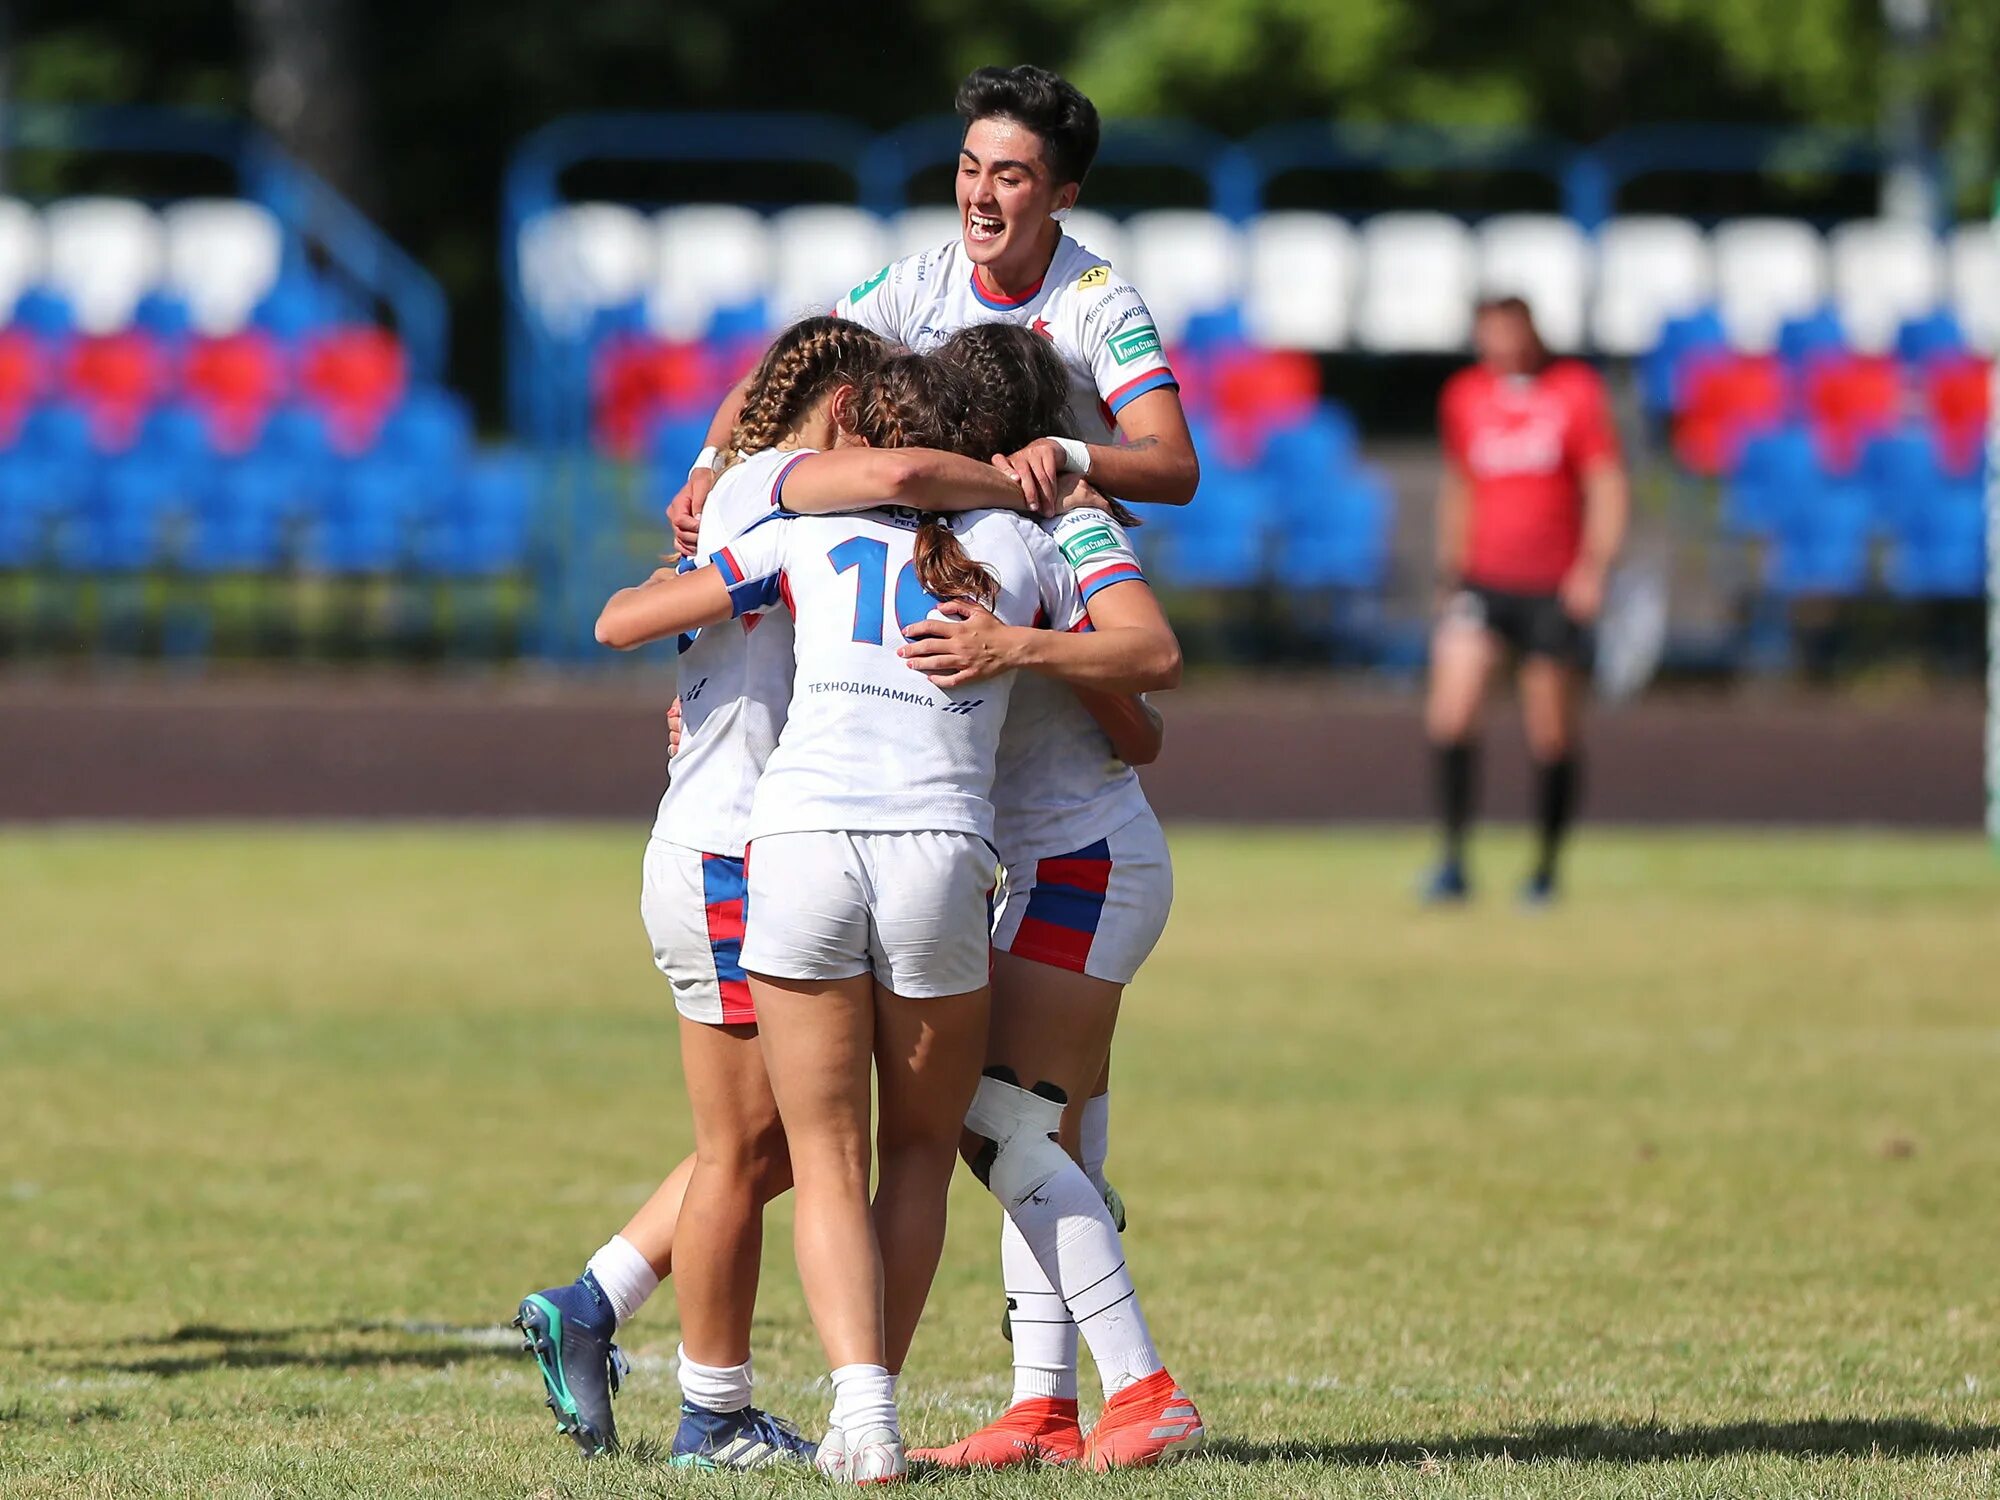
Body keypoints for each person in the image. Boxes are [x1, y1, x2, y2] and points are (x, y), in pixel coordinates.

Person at [592, 352, 1176, 1485]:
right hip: (942, 855)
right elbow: (1146, 699)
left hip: (799, 845)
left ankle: (861, 1421)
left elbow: (629, 619)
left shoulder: (797, 524)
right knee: (928, 1150)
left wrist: (706, 677)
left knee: (822, 1155)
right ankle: (929, 1414)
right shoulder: (1037, 538)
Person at [513, 317, 1040, 1467]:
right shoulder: (782, 488)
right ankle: (702, 1405)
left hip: (763, 840)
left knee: (774, 1145)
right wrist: (1014, 478)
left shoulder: (762, 500)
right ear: (844, 412)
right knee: (752, 1149)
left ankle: (606, 1311)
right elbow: (892, 477)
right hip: (734, 842)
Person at [894, 322, 1203, 1470]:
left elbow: (1153, 659)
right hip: (1054, 863)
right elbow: (1137, 729)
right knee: (1050, 1139)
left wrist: (1015, 648)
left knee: (996, 1124)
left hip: (1085, 865)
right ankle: (1041, 1410)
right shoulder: (982, 531)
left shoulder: (1067, 520)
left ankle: (1145, 1388)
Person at [666, 61, 1200, 557]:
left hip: (1047, 563)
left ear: (1063, 197)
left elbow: (1175, 466)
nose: (980, 196)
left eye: (1009, 179)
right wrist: (710, 464)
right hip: (927, 562)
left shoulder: (1101, 302)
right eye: (970, 169)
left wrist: (1066, 453)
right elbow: (783, 377)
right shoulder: (914, 282)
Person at [1424, 295, 1629, 905]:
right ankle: (1453, 861)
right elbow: (1460, 484)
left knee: (1551, 732)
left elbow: (1606, 482)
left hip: (1552, 584)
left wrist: (1593, 567)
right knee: (1452, 711)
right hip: (1483, 580)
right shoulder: (1465, 397)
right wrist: (1450, 568)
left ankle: (1545, 868)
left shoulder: (1574, 391)